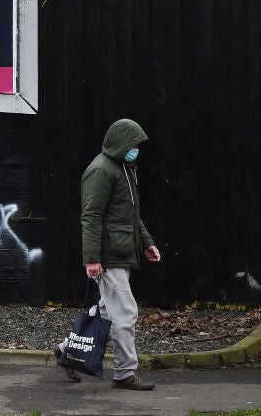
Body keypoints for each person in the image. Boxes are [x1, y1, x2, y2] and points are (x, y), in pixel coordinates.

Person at [56, 118, 162, 390]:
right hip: (109, 255)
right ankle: (125, 374)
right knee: (125, 313)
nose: (137, 149)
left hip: (120, 252)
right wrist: (92, 259)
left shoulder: (124, 168)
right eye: (134, 144)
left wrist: (146, 242)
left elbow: (129, 214)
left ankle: (67, 350)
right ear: (122, 143)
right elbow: (91, 216)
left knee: (105, 311)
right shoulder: (102, 170)